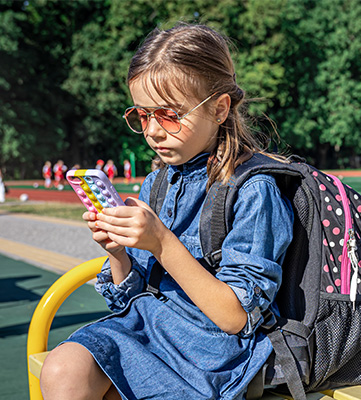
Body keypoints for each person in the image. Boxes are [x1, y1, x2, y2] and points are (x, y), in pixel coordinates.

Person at [40, 23, 295, 400]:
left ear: (220, 108)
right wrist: (118, 254)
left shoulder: (253, 190)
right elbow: (133, 299)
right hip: (147, 329)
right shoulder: (157, 183)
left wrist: (161, 241)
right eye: (142, 116)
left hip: (209, 355)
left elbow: (234, 318)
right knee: (63, 369)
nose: (154, 131)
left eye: (169, 115)